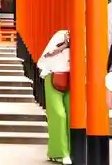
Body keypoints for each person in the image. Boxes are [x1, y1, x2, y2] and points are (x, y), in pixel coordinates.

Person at [37, 30, 72, 165]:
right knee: (58, 115)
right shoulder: (60, 35)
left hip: (71, 79)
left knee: (70, 115)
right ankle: (60, 152)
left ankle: (65, 150)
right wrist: (65, 45)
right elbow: (47, 54)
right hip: (53, 77)